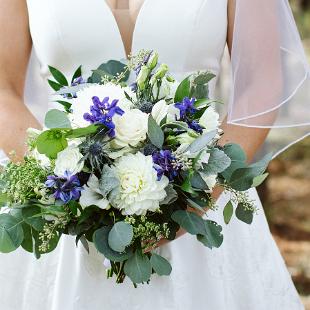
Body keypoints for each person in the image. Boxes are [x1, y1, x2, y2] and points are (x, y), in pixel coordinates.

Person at [0, 0, 307, 309]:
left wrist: (196, 198)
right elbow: (2, 90)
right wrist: (56, 182)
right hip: (66, 208)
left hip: (202, 198)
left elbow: (260, 84)